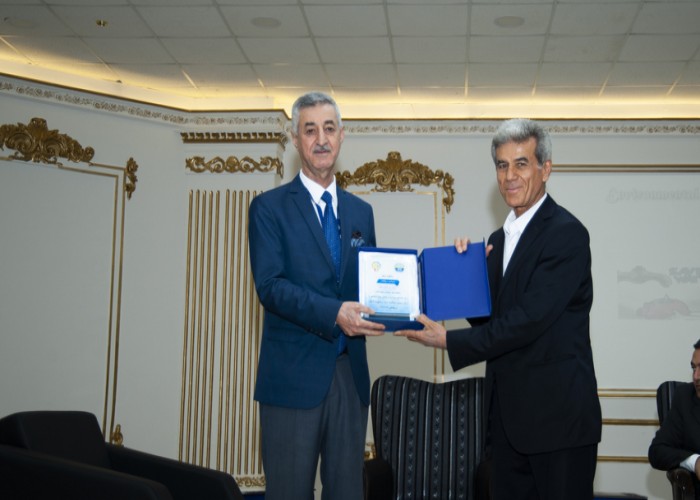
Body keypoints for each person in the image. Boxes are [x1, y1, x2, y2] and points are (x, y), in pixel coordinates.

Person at [395, 118, 602, 500]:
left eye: (521, 164)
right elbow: (493, 317)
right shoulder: (497, 240)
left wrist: (450, 341)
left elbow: (528, 321)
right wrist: (465, 273)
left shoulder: (566, 234)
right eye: (502, 165)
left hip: (558, 426)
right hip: (507, 424)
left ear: (545, 168)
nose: (510, 176)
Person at [247, 91, 385, 500]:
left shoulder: (361, 212)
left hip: (349, 377)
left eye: (329, 128)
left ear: (342, 135)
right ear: (295, 139)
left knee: (347, 493)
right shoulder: (268, 208)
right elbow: (270, 287)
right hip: (292, 379)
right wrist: (334, 313)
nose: (321, 139)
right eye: (310, 130)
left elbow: (372, 283)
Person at [648, 339, 700, 498]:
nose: (696, 376)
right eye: (694, 368)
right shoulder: (685, 398)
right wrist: (694, 462)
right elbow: (657, 451)